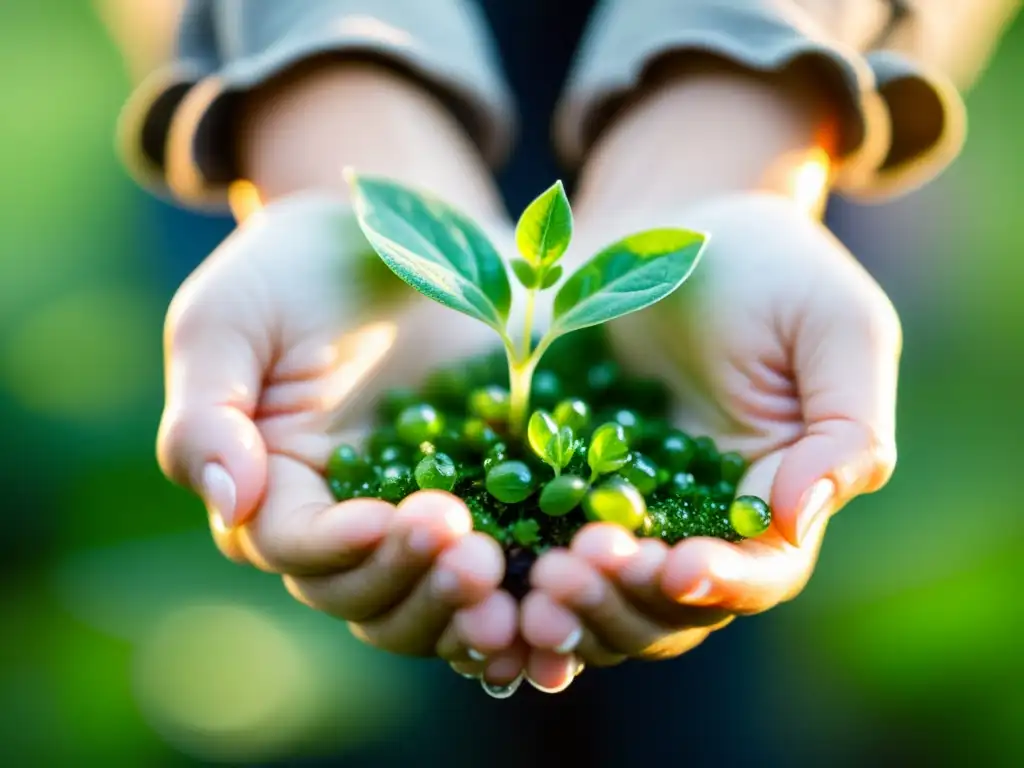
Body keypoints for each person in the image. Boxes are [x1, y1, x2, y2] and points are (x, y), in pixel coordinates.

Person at [119, 0, 1020, 699]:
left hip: (789, 72)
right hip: (290, 86)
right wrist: (324, 119)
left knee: (720, 673)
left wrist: (740, 118)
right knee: (384, 671)